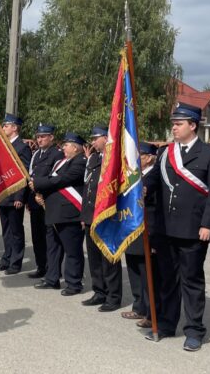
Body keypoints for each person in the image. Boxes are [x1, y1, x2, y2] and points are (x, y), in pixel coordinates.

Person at [147, 102, 210, 350]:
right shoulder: (165, 153)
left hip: (193, 229)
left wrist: (208, 225)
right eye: (173, 123)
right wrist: (143, 186)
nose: (174, 128)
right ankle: (168, 324)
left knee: (191, 281)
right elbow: (155, 179)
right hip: (166, 228)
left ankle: (194, 330)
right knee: (168, 279)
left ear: (193, 125)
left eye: (178, 124)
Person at [31, 132, 87, 296]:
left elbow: (61, 180)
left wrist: (38, 183)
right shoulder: (62, 162)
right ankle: (52, 278)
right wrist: (40, 191)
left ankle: (74, 283)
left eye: (67, 145)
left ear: (76, 148)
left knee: (72, 250)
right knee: (53, 247)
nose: (63, 147)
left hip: (69, 212)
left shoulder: (80, 162)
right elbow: (51, 177)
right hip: (53, 211)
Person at [121, 142, 165, 328]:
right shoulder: (133, 176)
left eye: (139, 155)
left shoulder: (154, 178)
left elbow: (155, 209)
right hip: (131, 227)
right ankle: (138, 305)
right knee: (133, 268)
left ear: (148, 158)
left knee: (147, 273)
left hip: (147, 229)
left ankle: (150, 311)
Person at [80, 126, 123, 312]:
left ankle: (113, 297)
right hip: (91, 216)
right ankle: (99, 291)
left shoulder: (116, 160)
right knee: (94, 258)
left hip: (108, 216)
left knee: (109, 259)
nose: (93, 142)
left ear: (106, 138)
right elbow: (87, 188)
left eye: (96, 138)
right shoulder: (94, 158)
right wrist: (84, 216)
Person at [0, 113, 32, 274]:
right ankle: (7, 258)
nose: (3, 128)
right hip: (3, 194)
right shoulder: (4, 145)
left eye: (6, 125)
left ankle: (16, 262)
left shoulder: (22, 147)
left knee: (16, 231)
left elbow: (24, 173)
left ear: (15, 128)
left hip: (14, 196)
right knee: (6, 230)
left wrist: (19, 197)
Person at [25, 123, 64, 278]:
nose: (39, 140)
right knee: (37, 237)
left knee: (51, 238)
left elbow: (54, 179)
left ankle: (52, 269)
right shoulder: (36, 154)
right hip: (35, 201)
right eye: (38, 137)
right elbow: (31, 177)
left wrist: (42, 193)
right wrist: (30, 198)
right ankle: (41, 266)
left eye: (43, 137)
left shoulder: (57, 154)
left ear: (51, 137)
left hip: (48, 201)